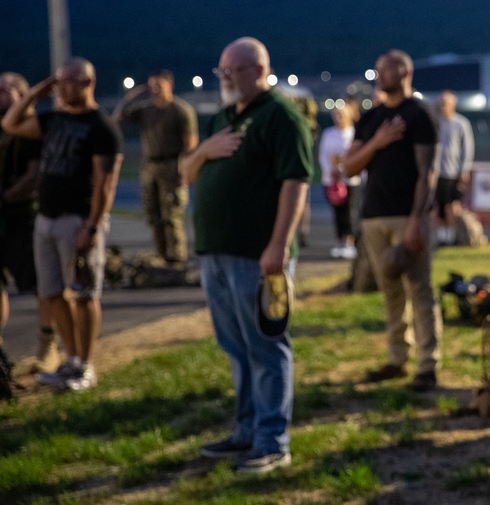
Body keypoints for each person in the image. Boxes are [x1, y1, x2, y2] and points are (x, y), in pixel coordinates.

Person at [181, 37, 313, 474]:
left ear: (259, 71)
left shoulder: (280, 116)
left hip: (257, 256)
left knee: (266, 346)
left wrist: (277, 245)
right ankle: (246, 431)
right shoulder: (222, 117)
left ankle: (273, 439)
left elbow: (295, 183)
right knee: (236, 348)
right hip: (216, 252)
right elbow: (185, 173)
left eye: (231, 71)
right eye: (221, 70)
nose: (223, 78)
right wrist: (202, 151)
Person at [1, 58, 124, 393]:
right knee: (53, 292)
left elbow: (106, 184)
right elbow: (11, 123)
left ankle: (85, 364)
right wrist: (35, 93)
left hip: (78, 220)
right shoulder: (53, 118)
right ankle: (69, 360)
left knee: (84, 294)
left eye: (67, 82)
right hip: (47, 218)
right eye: (58, 82)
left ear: (87, 83)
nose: (61, 88)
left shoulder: (101, 126)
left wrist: (93, 227)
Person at [343, 50, 442, 393]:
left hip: (406, 216)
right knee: (390, 291)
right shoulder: (372, 119)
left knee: (420, 289)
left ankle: (427, 365)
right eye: (378, 68)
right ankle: (397, 358)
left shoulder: (420, 114)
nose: (380, 73)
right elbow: (349, 167)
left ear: (405, 71)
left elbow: (427, 173)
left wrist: (418, 219)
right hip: (373, 215)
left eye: (387, 68)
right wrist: (378, 142)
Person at [113, 69, 198, 267]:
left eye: (159, 85)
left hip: (171, 163)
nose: (155, 90)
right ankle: (161, 253)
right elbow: (118, 120)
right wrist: (129, 99)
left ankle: (176, 257)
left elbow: (190, 144)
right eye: (152, 85)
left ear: (170, 85)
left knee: (172, 214)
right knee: (153, 213)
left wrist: (186, 170)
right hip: (150, 165)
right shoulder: (146, 109)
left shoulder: (180, 110)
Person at [0, 72, 48, 372]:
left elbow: (35, 173)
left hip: (21, 216)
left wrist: (7, 196)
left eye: (6, 90)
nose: (0, 96)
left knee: (38, 283)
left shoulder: (31, 129)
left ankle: (48, 342)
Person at [317, 105, 360, 259]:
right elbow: (323, 154)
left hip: (349, 179)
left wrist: (342, 169)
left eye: (341, 115)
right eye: (336, 115)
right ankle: (339, 240)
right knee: (337, 212)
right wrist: (331, 171)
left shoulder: (353, 133)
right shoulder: (329, 133)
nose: (338, 118)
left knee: (350, 212)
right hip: (331, 179)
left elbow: (355, 154)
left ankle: (350, 241)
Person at [434, 90, 475, 246]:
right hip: (438, 172)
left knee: (452, 206)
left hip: (453, 172)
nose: (443, 107)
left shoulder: (461, 123)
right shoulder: (436, 122)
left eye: (445, 104)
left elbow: (467, 148)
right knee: (438, 207)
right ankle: (442, 238)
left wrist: (464, 170)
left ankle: (453, 237)